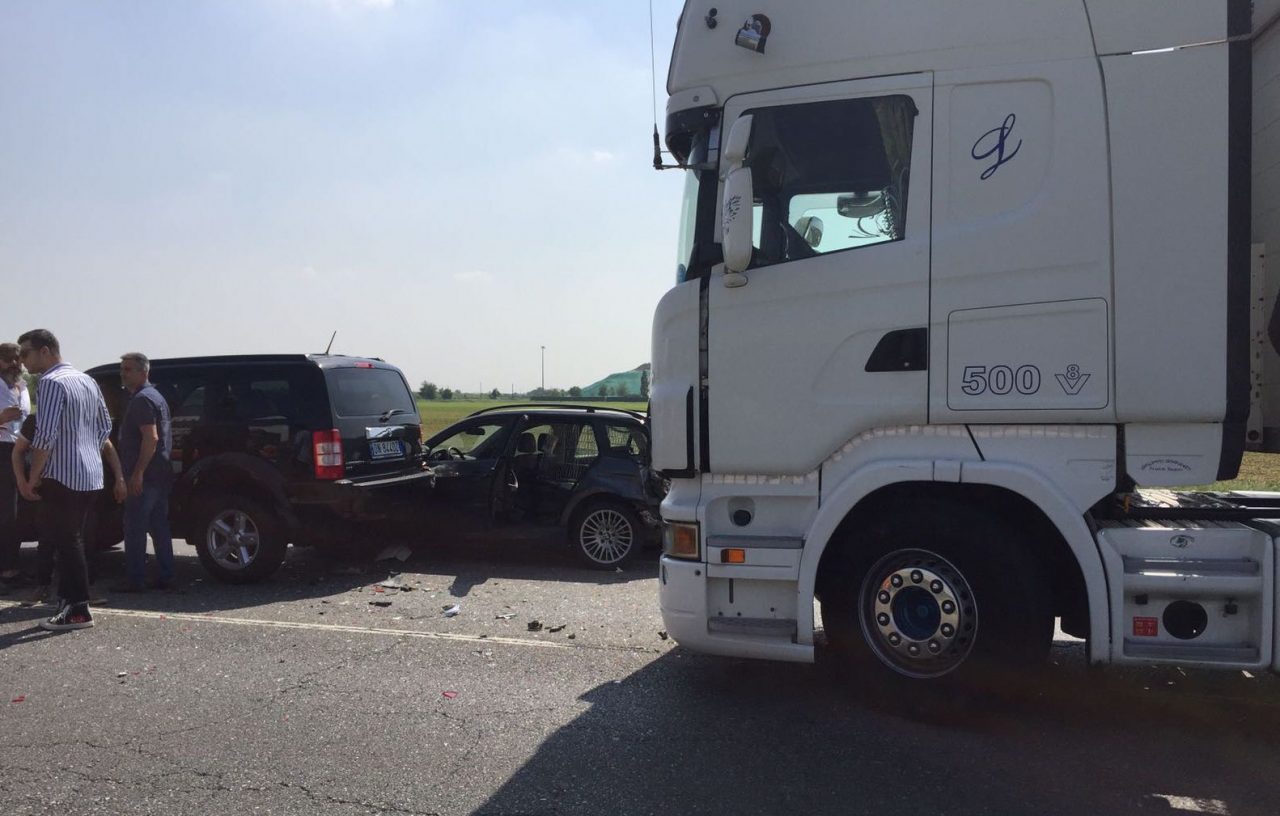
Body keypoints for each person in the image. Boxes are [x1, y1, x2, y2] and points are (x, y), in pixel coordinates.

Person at [16, 329, 114, 631]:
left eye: (26, 354)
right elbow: (105, 426)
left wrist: (34, 477)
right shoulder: (87, 380)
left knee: (66, 541)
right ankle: (70, 602)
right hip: (91, 474)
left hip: (62, 475)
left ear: (45, 351)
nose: (22, 362)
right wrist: (85, 448)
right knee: (73, 539)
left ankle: (77, 608)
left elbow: (44, 436)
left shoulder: (50, 383)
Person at [114, 352, 174, 592]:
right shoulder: (156, 397)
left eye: (128, 369)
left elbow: (151, 437)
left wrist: (137, 473)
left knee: (135, 527)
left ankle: (135, 580)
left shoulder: (142, 400)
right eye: (123, 369)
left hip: (146, 475)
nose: (123, 373)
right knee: (159, 525)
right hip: (160, 473)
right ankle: (166, 575)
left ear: (143, 372)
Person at [0, 342, 31, 582]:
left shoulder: (23, 386)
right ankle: (7, 568)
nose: (15, 364)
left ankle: (13, 565)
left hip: (22, 450)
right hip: (2, 449)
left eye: (18, 359)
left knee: (20, 512)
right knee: (6, 513)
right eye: (9, 359)